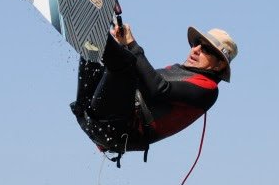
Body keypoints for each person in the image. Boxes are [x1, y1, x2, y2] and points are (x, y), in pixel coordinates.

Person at [70, 24, 238, 164]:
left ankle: (91, 26)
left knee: (125, 61)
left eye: (206, 49)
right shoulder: (177, 70)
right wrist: (122, 44)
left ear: (219, 65)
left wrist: (132, 45)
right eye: (196, 44)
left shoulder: (207, 90)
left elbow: (159, 90)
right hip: (87, 113)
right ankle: (87, 26)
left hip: (117, 129)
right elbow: (136, 80)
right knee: (94, 49)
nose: (195, 50)